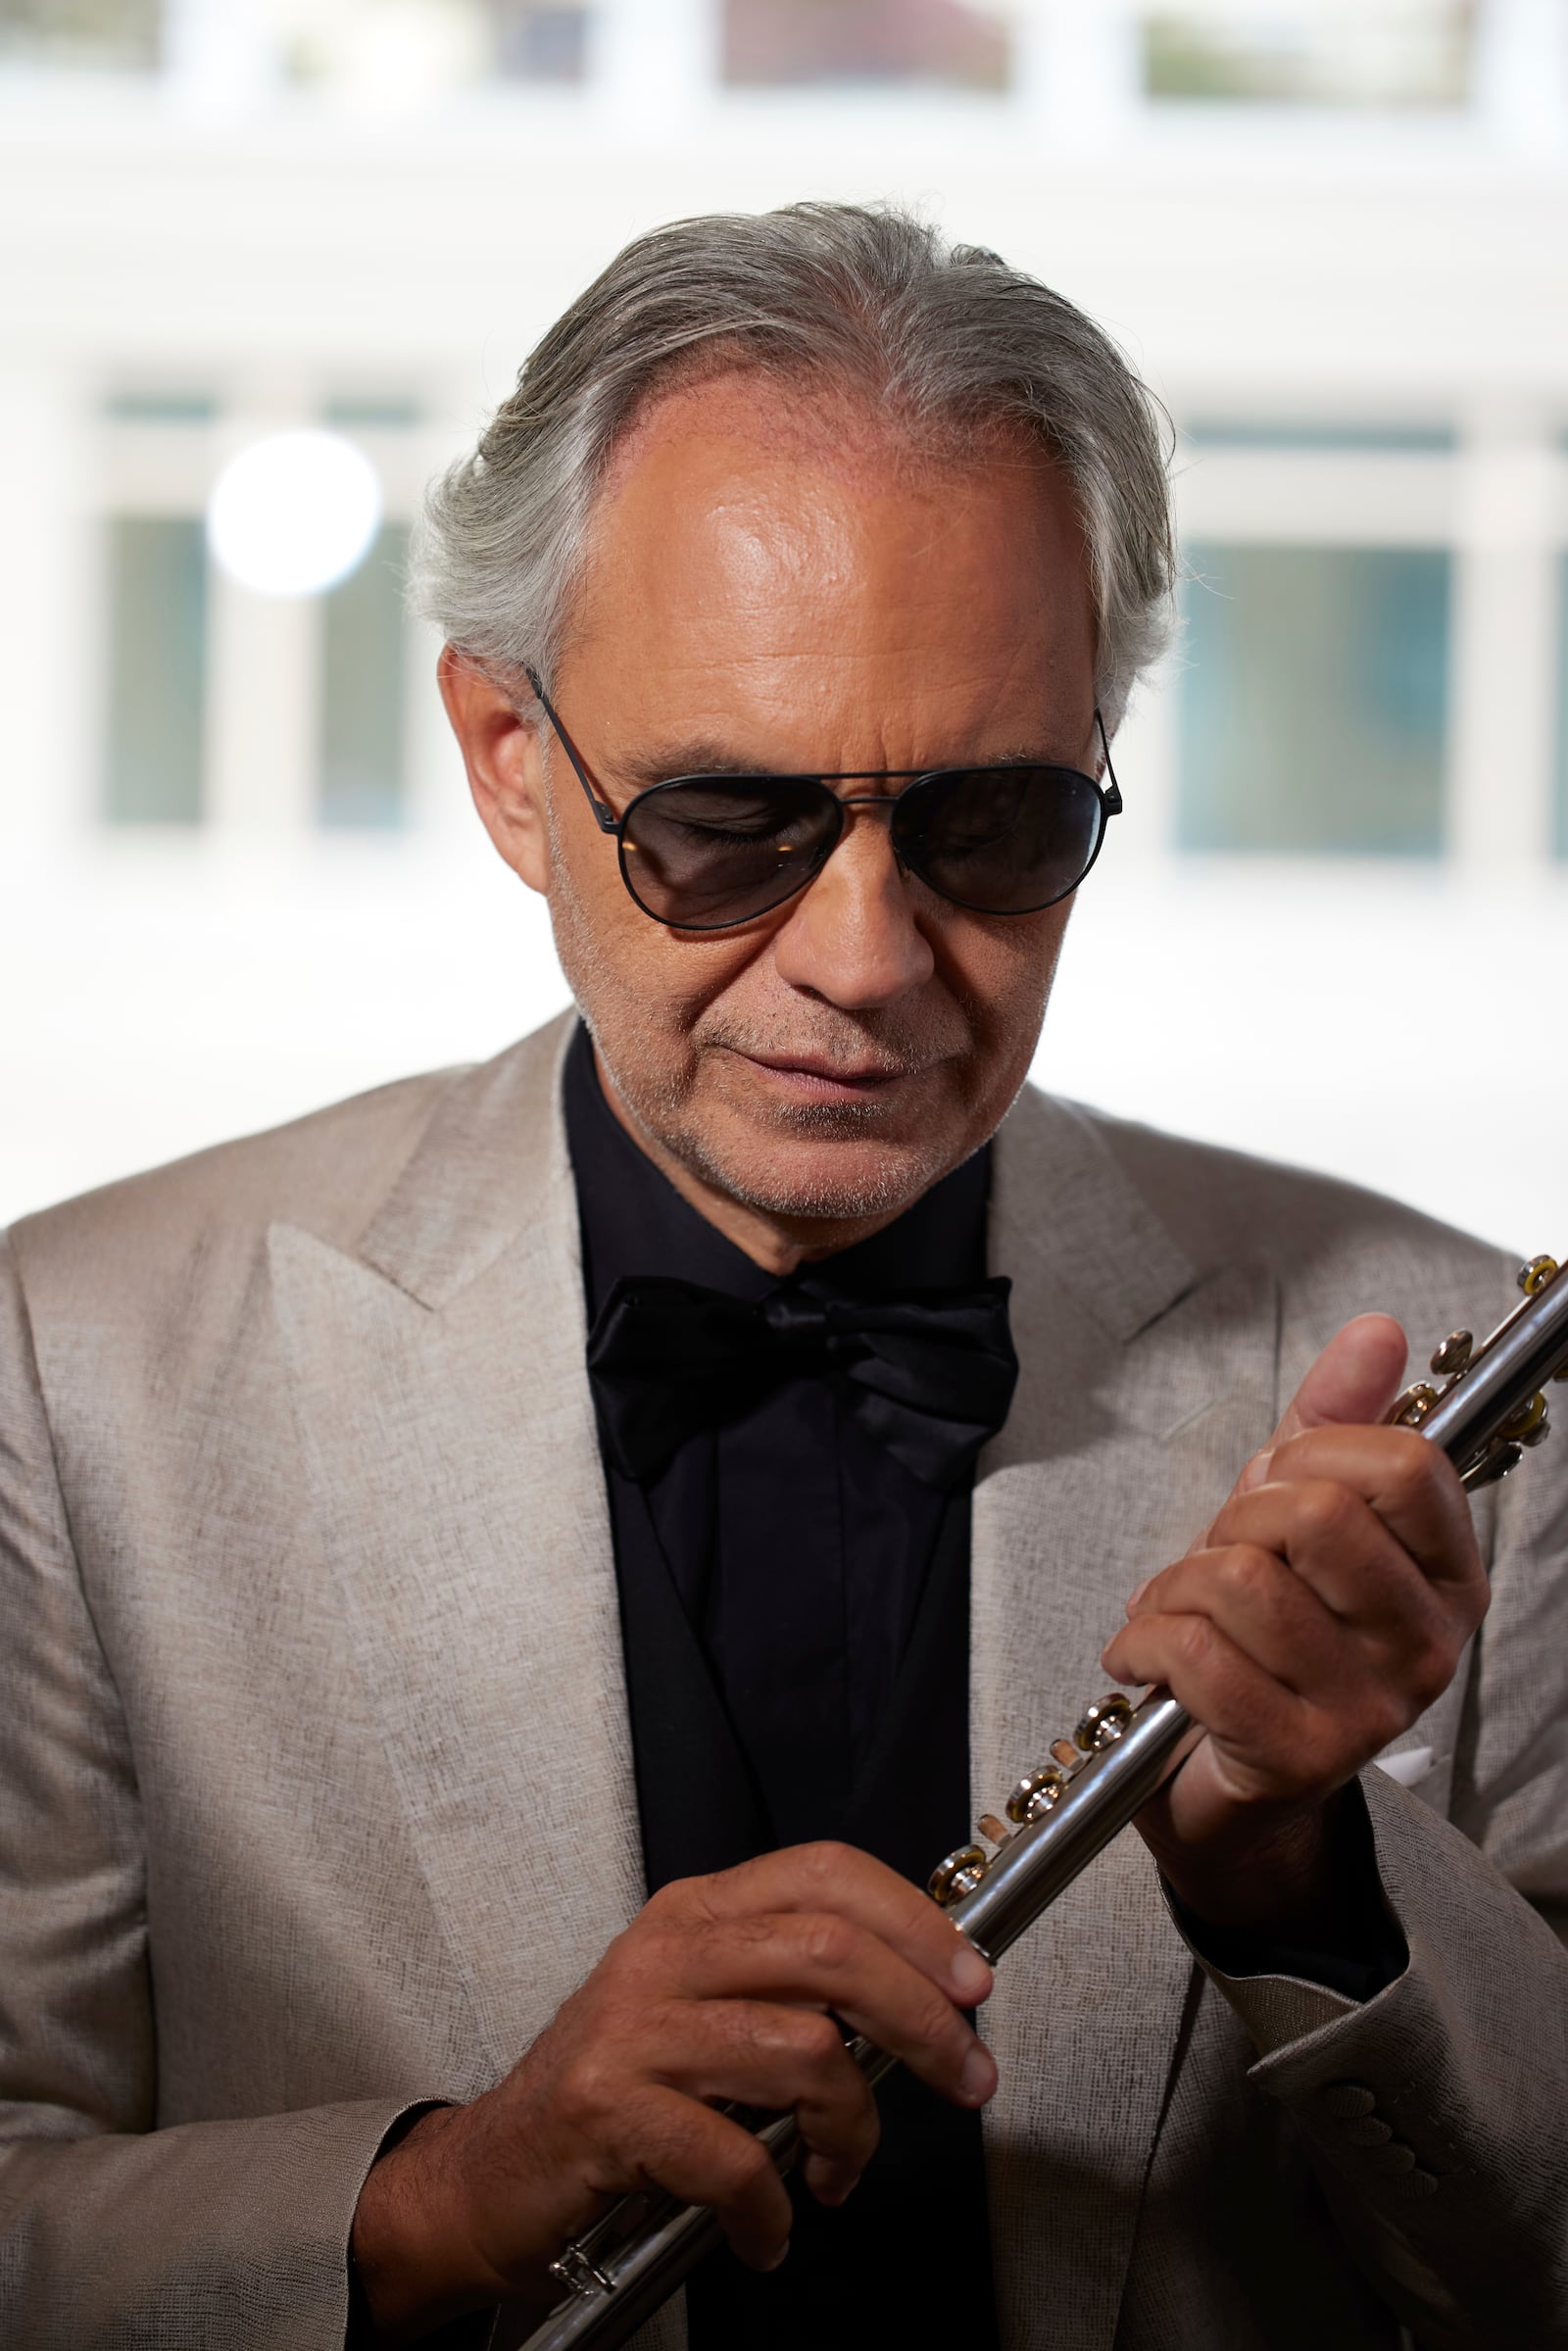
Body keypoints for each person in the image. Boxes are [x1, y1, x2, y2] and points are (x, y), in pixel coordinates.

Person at [0, 204, 1562, 2351]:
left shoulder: (1446, 1390)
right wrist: (443, 2197)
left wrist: (1292, 1881)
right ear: (509, 765)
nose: (861, 960)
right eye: (728, 821)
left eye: (993, 823)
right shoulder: (70, 1368)